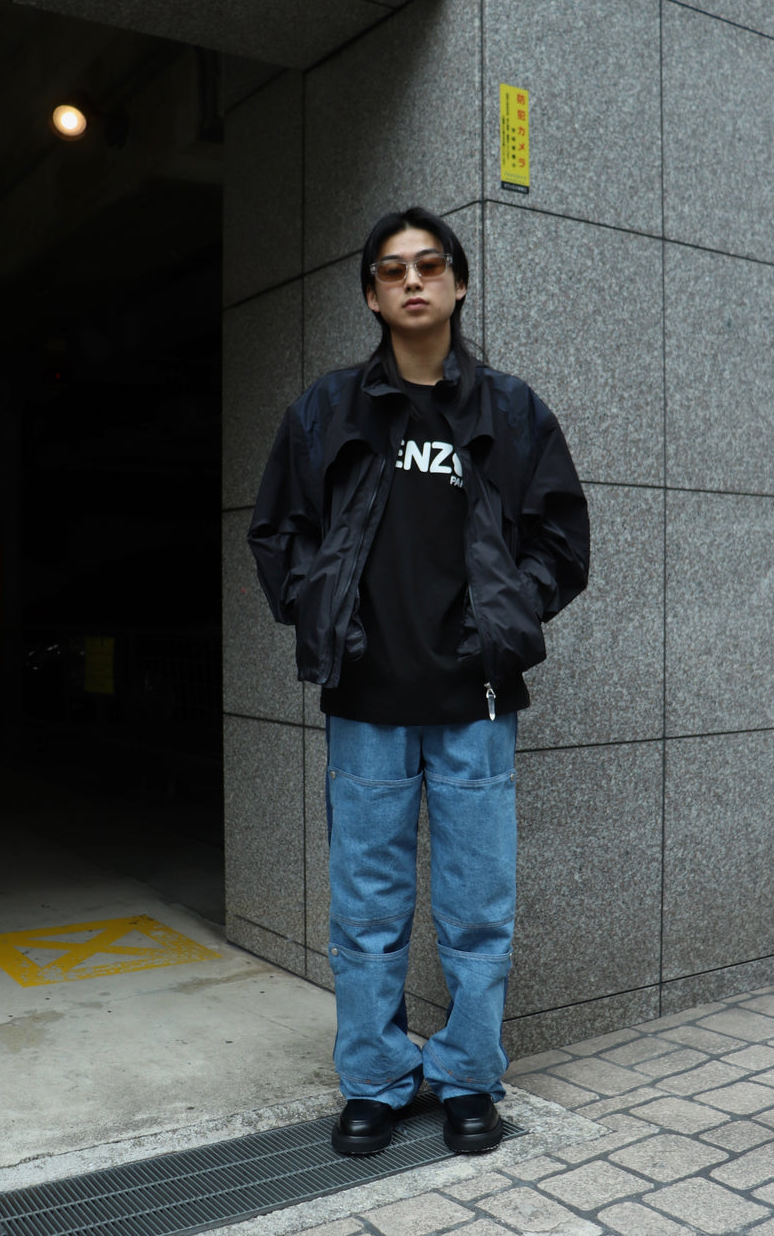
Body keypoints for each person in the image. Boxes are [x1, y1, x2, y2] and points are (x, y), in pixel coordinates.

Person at [248, 206, 589, 1156]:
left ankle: (471, 1078)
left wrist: (505, 622)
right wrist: (320, 611)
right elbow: (277, 531)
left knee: (478, 910)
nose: (412, 281)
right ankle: (376, 1080)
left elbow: (562, 539)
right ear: (371, 295)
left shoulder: (511, 412)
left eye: (430, 265)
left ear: (459, 283)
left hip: (476, 702)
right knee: (366, 912)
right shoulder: (328, 409)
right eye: (392, 270)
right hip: (367, 700)